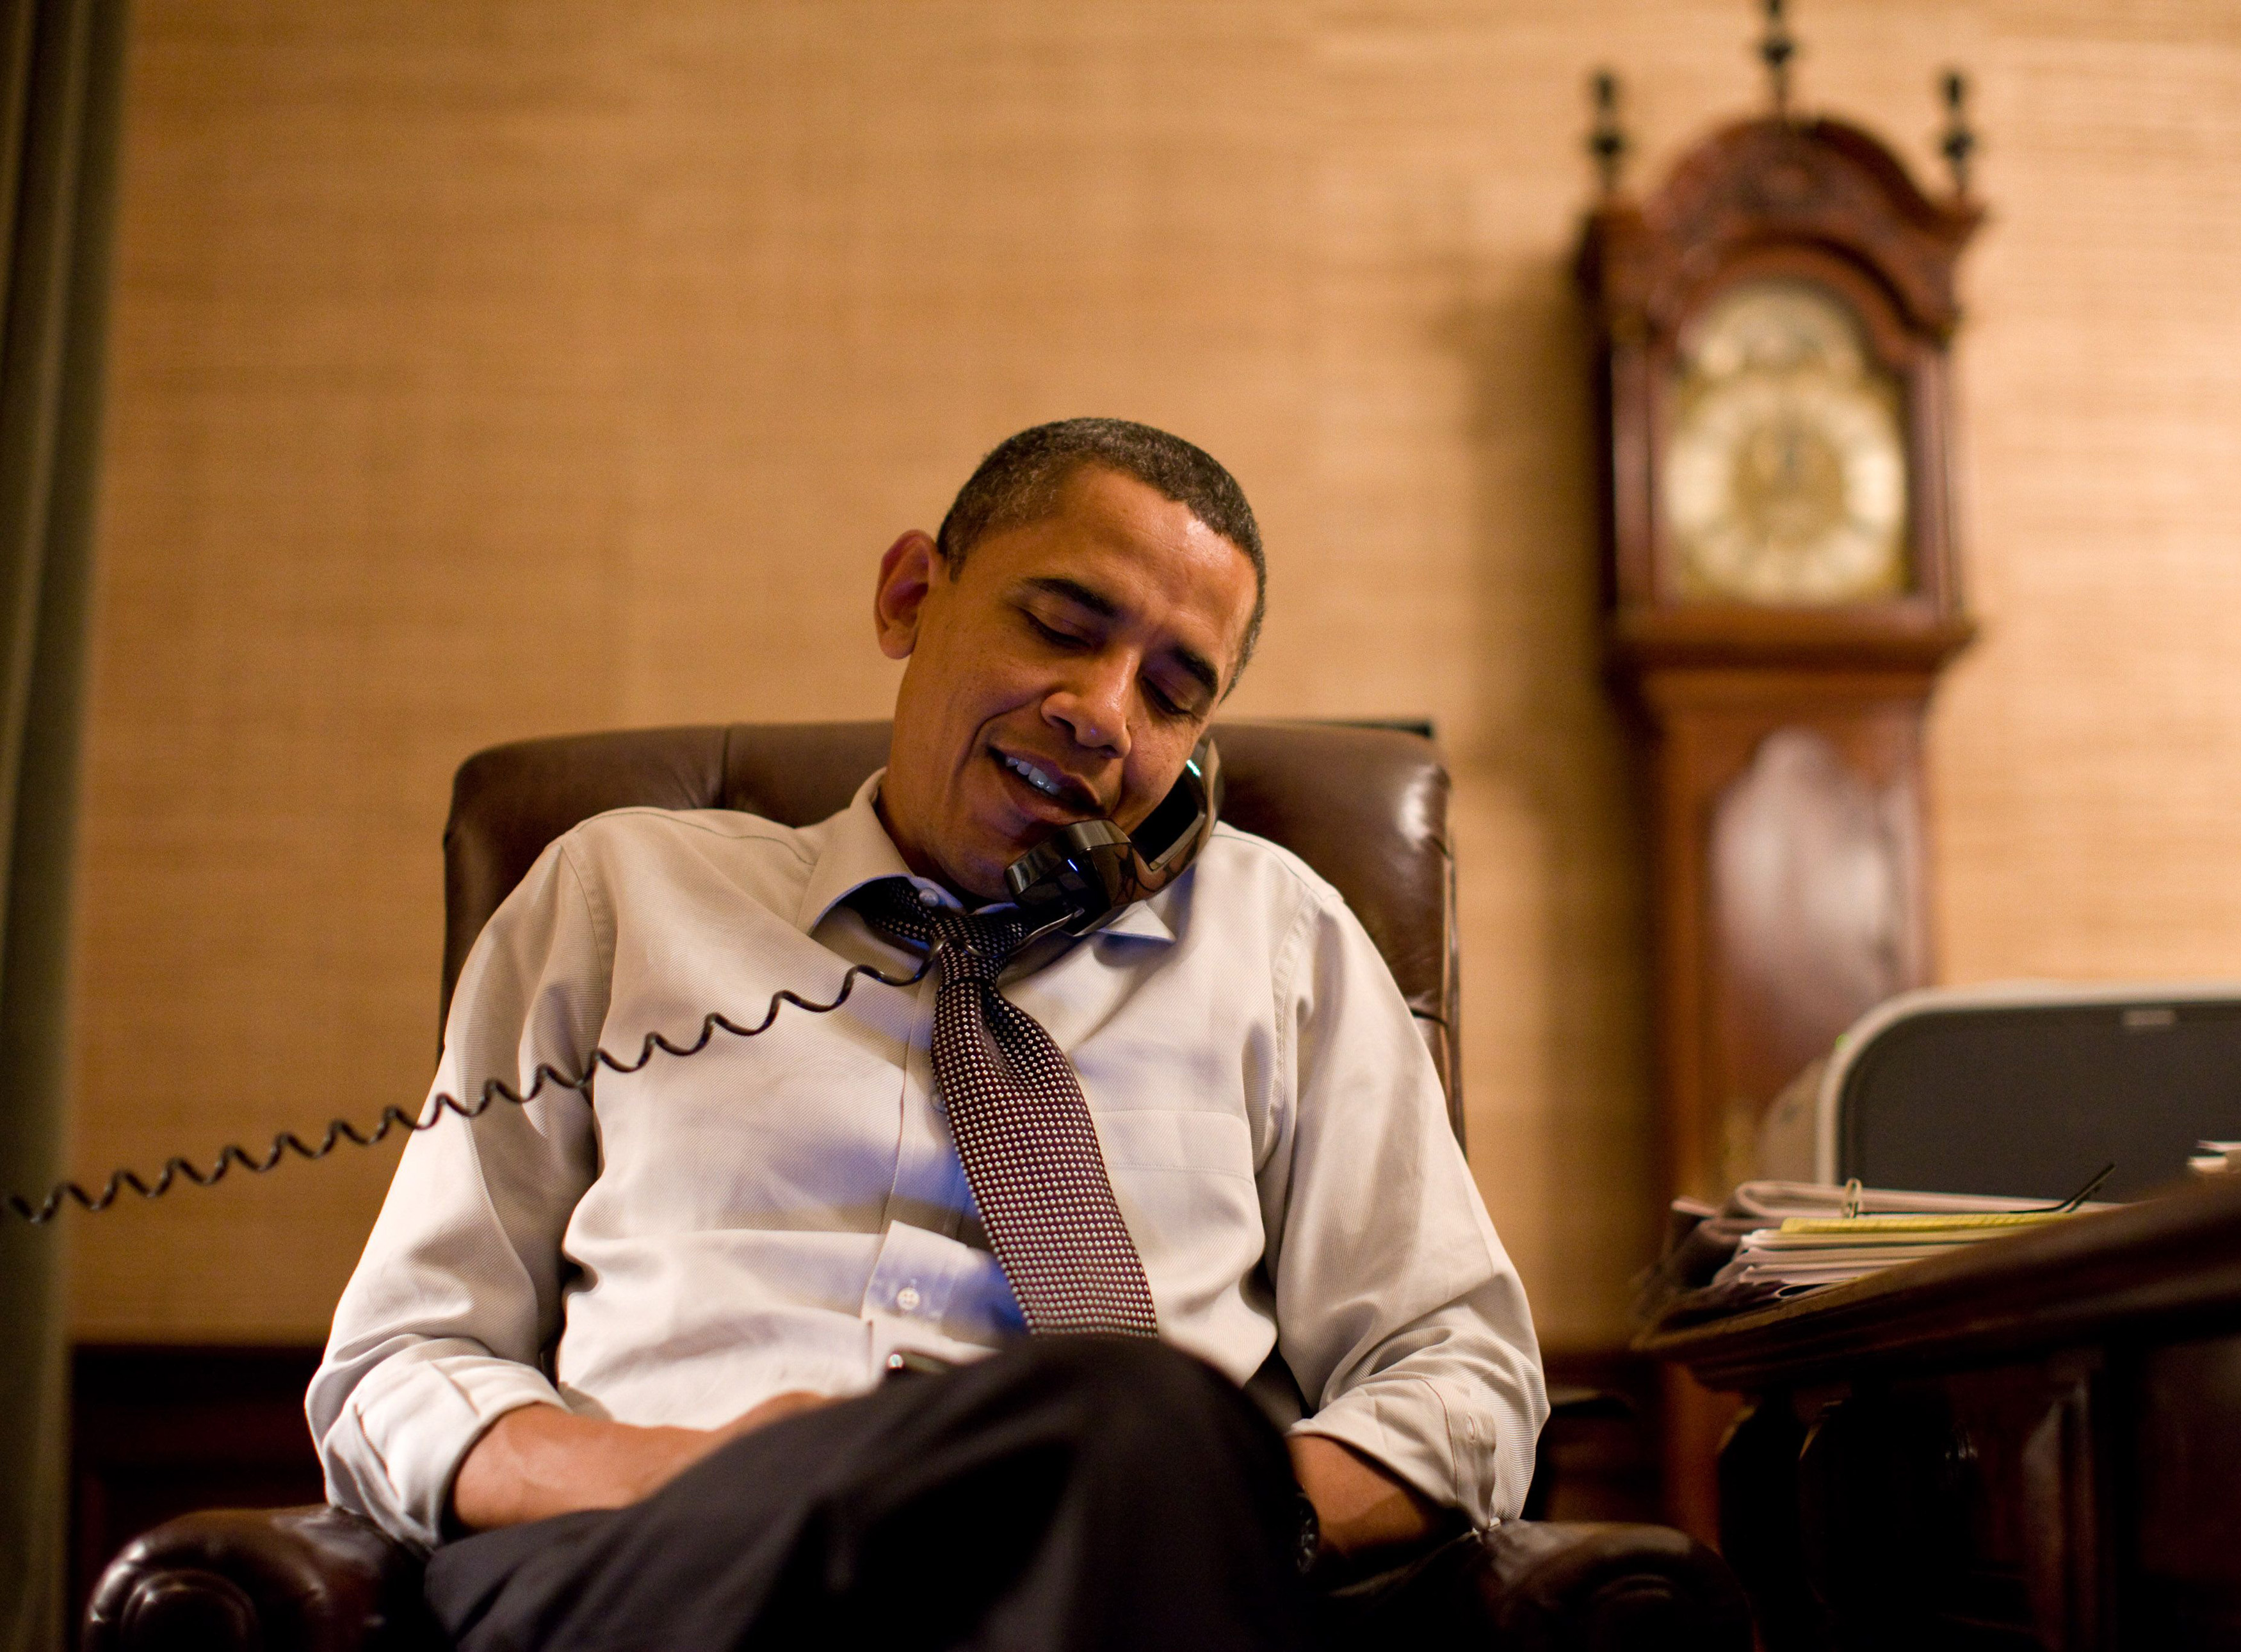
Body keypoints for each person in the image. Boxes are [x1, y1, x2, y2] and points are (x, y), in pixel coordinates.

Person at [309, 418, 1546, 1651]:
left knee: (1141, 1416)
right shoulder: (620, 897)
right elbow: (400, 1367)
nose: (1105, 714)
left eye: (1174, 695)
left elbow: (1461, 1372)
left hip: (1116, 1565)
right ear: (910, 596)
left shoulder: (1278, 942)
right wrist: (674, 1472)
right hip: (668, 1558)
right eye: (1062, 627)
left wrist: (1225, 1506)